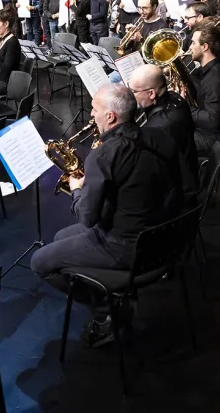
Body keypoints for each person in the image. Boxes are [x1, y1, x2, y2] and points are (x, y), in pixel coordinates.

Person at [30, 84, 172, 347]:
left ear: (111, 117)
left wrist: (76, 189)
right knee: (61, 236)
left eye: (95, 110)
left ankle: (107, 311)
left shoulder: (104, 154)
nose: (90, 116)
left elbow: (86, 218)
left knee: (40, 262)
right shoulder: (155, 137)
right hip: (158, 237)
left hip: (122, 245)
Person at [127, 65, 199, 209]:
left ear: (152, 93)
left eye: (133, 91)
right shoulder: (176, 98)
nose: (130, 95)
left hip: (177, 196)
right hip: (188, 172)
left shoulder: (156, 129)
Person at [188, 26, 220, 156]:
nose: (190, 48)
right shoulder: (207, 70)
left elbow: (212, 120)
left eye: (193, 43)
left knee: (168, 142)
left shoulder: (216, 78)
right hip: (209, 133)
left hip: (217, 141)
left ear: (205, 47)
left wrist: (187, 107)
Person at [0, 8, 21, 89]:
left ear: (6, 24)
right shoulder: (2, 39)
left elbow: (6, 69)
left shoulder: (12, 42)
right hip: (0, 77)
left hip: (6, 82)